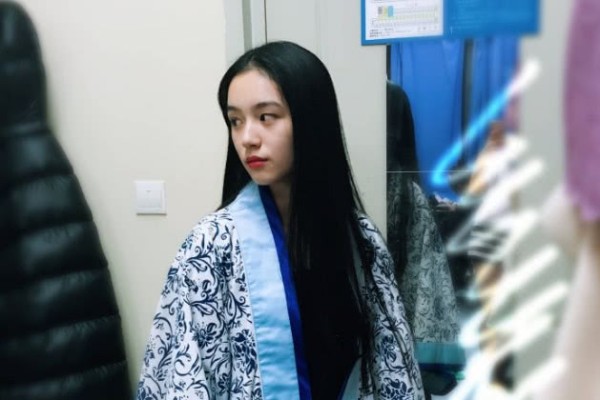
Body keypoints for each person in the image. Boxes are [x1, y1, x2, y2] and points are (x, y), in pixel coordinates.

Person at [136, 41, 424, 399]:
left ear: (310, 120)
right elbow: (182, 378)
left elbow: (392, 368)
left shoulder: (361, 240)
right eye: (235, 121)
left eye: (266, 117)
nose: (247, 138)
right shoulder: (211, 246)